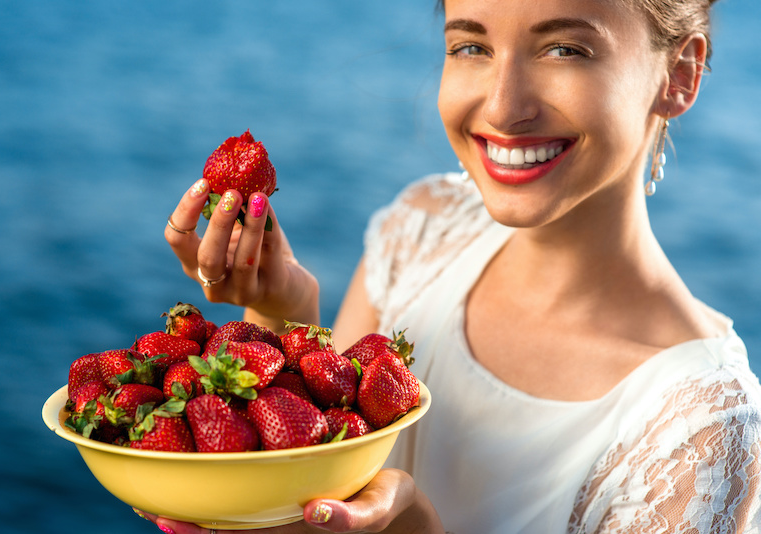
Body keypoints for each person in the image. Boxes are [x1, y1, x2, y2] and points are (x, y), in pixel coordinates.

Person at [148, 0, 761, 532]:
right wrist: (284, 316)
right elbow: (309, 467)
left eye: (565, 49)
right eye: (472, 45)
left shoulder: (703, 427)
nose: (502, 106)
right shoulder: (420, 230)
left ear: (680, 73)